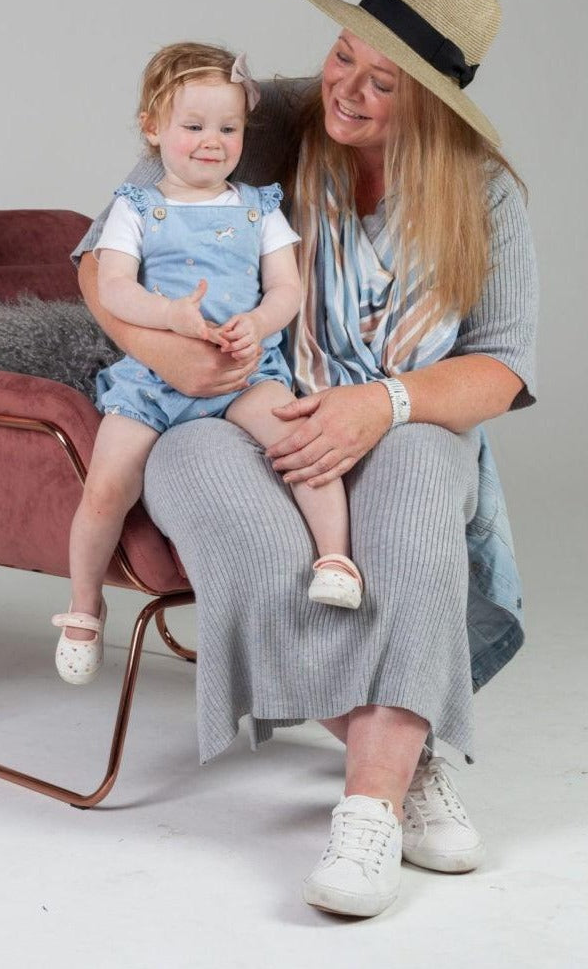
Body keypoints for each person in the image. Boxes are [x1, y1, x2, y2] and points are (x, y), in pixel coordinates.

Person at [74, 0, 538, 918]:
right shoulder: (273, 118)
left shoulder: (483, 194)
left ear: (438, 104)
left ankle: (369, 808)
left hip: (406, 410)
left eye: (383, 83)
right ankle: (408, 764)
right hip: (244, 400)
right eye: (343, 57)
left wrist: (381, 405)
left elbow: (501, 367)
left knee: (413, 501)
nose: (348, 91)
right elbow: (101, 254)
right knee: (230, 513)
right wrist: (160, 359)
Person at [54, 43, 365, 687]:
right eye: (192, 127)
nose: (210, 143)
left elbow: (285, 289)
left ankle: (335, 558)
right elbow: (113, 288)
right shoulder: (136, 209)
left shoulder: (258, 207)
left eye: (227, 129)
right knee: (107, 485)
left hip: (243, 372)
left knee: (300, 440)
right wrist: (169, 318)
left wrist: (255, 324)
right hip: (153, 380)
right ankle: (84, 605)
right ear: (153, 129)